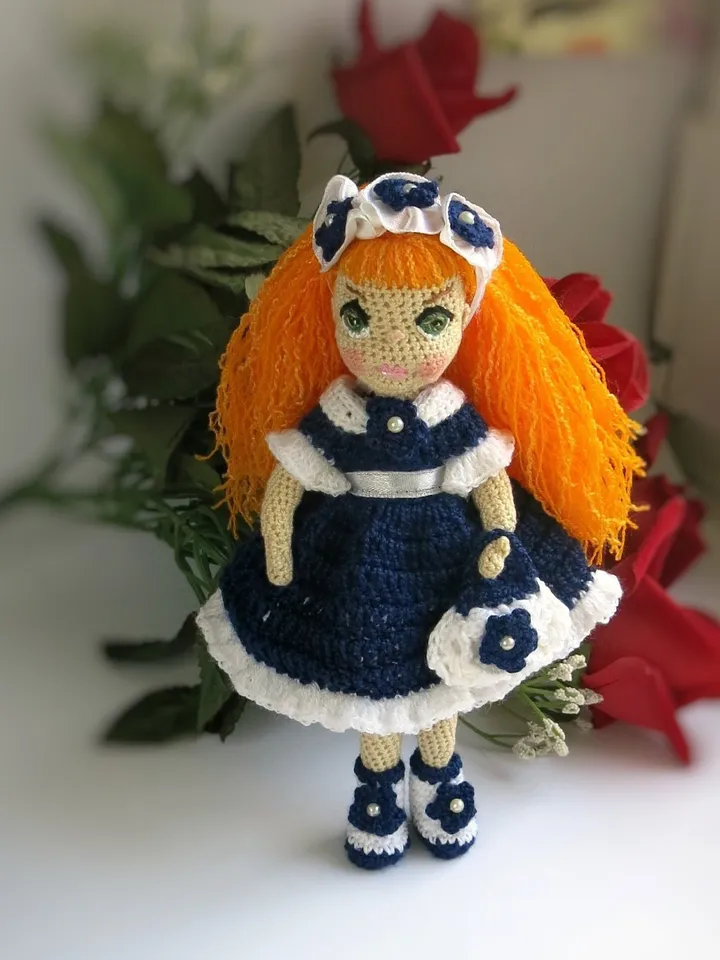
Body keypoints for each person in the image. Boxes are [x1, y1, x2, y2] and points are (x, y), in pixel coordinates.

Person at [197, 172, 642, 868]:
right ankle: (378, 787)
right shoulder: (341, 412)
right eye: (359, 317)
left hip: (444, 562)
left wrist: (500, 537)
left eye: (429, 321)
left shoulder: (447, 414)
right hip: (355, 565)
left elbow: (489, 484)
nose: (388, 345)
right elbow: (291, 482)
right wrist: (277, 549)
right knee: (372, 680)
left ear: (465, 320)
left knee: (444, 681)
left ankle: (438, 778)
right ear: (331, 311)